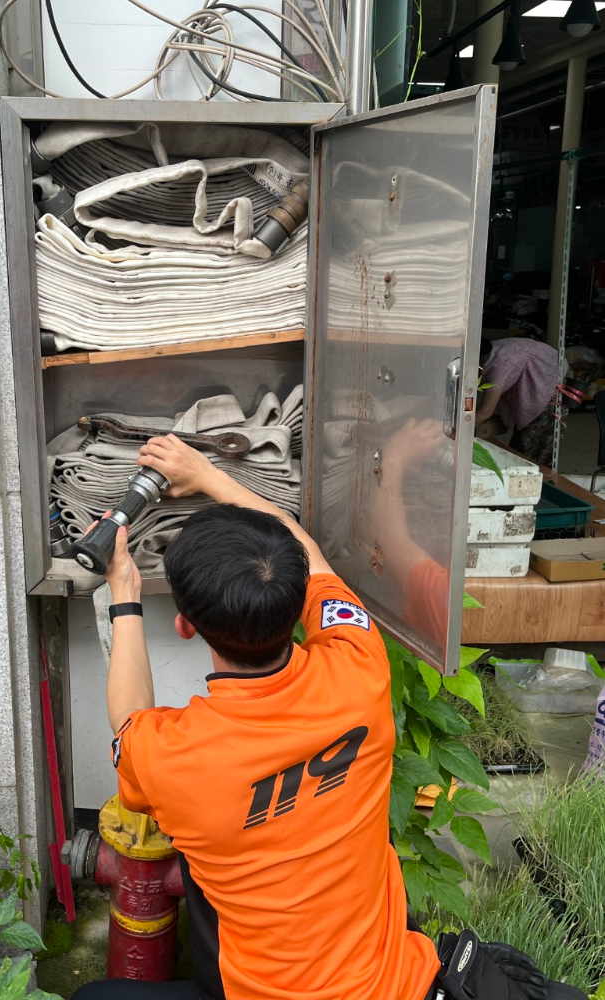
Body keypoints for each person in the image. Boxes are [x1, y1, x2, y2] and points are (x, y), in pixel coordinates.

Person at [75, 434, 583, 1000]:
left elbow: (129, 720)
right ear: (299, 607)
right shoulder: (359, 667)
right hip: (398, 986)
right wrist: (207, 475)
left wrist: (124, 592)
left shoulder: (170, 759)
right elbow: (303, 549)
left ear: (186, 625)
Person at [477, 337, 561, 467]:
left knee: (528, 459)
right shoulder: (492, 351)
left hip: (548, 399)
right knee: (518, 449)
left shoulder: (500, 365)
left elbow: (485, 411)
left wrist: (459, 432)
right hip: (539, 388)